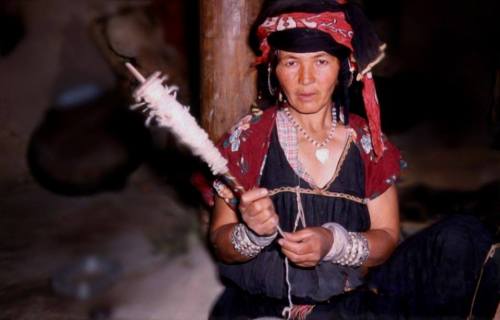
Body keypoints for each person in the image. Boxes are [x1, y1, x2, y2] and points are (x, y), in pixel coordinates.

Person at [206, 0, 496, 319]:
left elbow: (386, 238)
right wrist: (251, 234)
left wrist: (333, 242)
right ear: (274, 69)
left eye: (321, 61)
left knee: (460, 237)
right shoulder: (248, 138)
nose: (305, 79)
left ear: (344, 68)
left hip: (351, 306)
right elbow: (221, 243)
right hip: (268, 306)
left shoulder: (366, 141)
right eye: (290, 62)